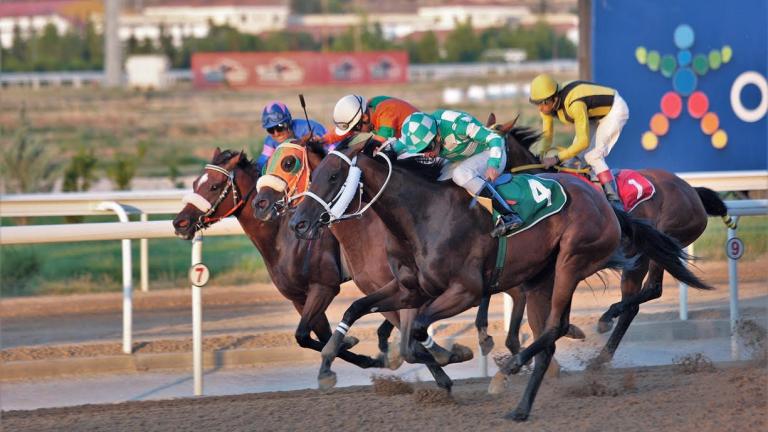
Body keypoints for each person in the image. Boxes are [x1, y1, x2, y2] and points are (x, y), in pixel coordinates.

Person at [382, 110, 524, 237]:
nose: (426, 154)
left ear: (437, 136)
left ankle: (508, 215)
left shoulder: (458, 125)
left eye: (428, 148)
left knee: (461, 175)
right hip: (462, 158)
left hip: (490, 153)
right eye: (421, 150)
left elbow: (495, 138)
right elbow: (394, 147)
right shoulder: (420, 135)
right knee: (437, 183)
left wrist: (493, 164)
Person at [528, 73, 629, 206]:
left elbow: (583, 142)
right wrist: (540, 154)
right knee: (573, 159)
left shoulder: (575, 103)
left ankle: (614, 200)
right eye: (537, 104)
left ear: (553, 98)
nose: (540, 108)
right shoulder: (547, 107)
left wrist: (556, 158)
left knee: (593, 156)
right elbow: (547, 136)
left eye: (543, 103)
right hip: (593, 115)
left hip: (614, 110)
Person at [256, 101, 333, 172]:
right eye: (270, 129)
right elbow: (261, 164)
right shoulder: (270, 141)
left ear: (289, 122)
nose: (276, 134)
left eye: (280, 127)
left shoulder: (311, 128)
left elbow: (333, 150)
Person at [322, 95, 418, 144]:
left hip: (424, 142)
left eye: (356, 129)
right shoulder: (368, 109)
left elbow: (380, 141)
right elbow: (345, 132)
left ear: (364, 117)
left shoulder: (386, 111)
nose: (355, 132)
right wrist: (323, 140)